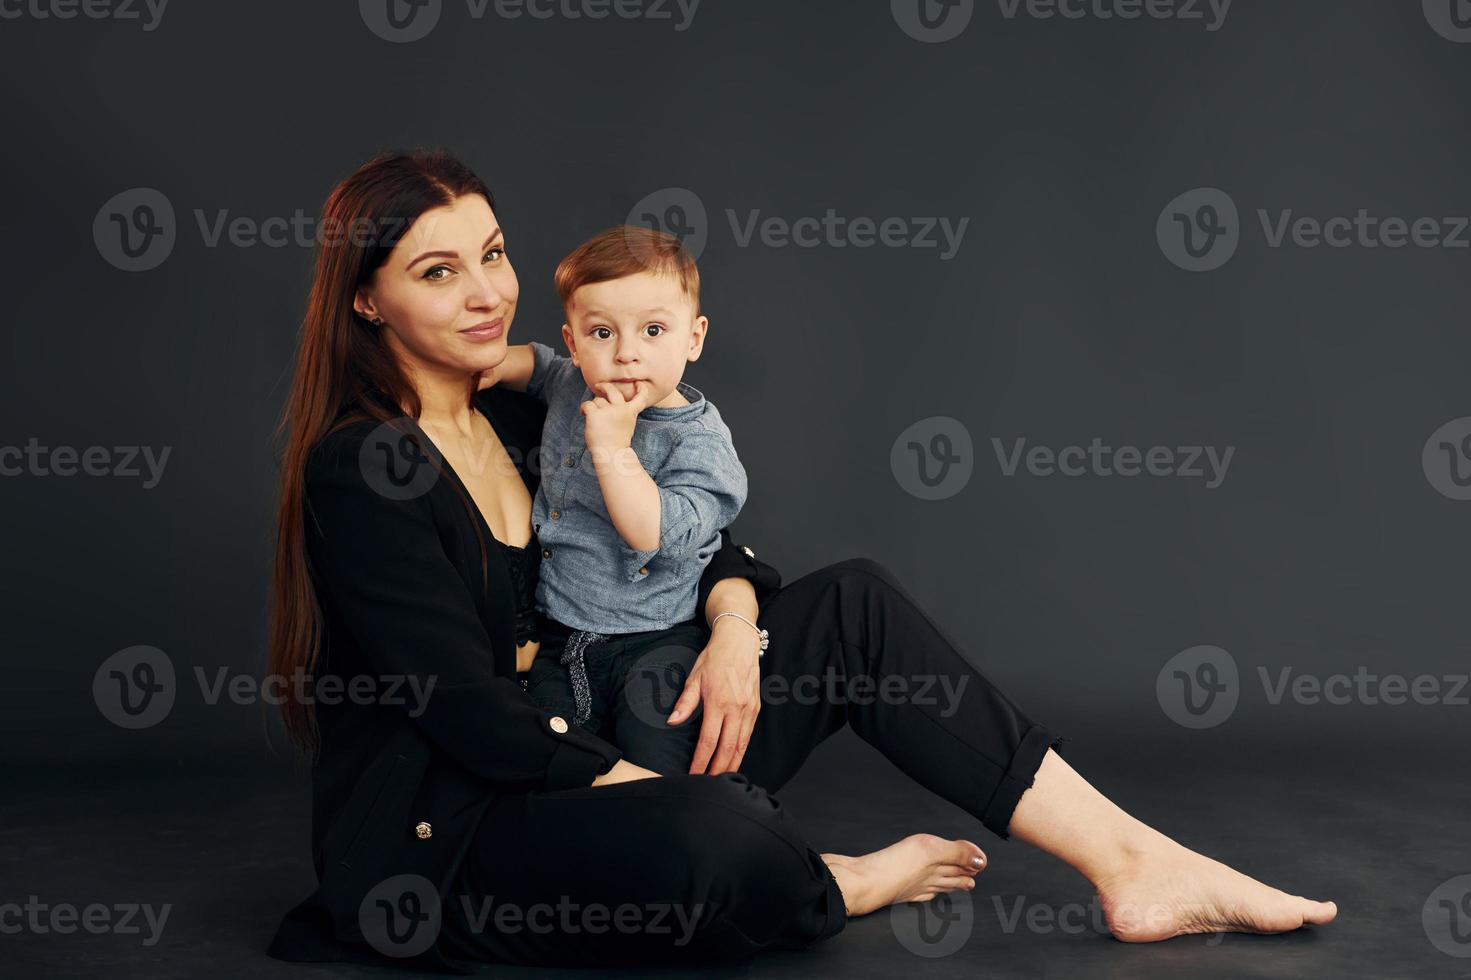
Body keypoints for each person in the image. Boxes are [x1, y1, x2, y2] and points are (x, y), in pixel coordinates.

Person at [266, 150, 1337, 972]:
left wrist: (733, 624)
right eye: (437, 270)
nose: (482, 291)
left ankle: (1131, 859)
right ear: (367, 299)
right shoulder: (369, 467)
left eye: (492, 254)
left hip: (609, 707)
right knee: (710, 831)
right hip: (463, 824)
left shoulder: (528, 405)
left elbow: (695, 531)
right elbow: (463, 710)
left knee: (854, 602)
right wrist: (636, 783)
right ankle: (842, 879)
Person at [477, 224, 750, 775]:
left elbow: (654, 533)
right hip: (560, 637)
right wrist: (484, 366)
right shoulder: (575, 381)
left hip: (655, 641)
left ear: (693, 338)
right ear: (575, 341)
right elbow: (538, 365)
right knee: (552, 756)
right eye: (602, 333)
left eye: (653, 330)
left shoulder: (698, 442)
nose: (627, 354)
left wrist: (612, 449)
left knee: (654, 760)